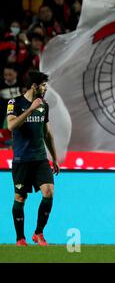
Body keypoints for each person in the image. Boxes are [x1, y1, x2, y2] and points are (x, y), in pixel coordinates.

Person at [6, 71, 60, 247]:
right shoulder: (14, 103)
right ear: (34, 86)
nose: (45, 89)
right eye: (43, 85)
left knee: (49, 192)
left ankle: (38, 233)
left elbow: (47, 133)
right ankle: (20, 238)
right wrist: (30, 109)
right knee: (20, 198)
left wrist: (55, 158)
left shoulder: (44, 105)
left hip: (40, 159)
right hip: (22, 160)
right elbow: (11, 125)